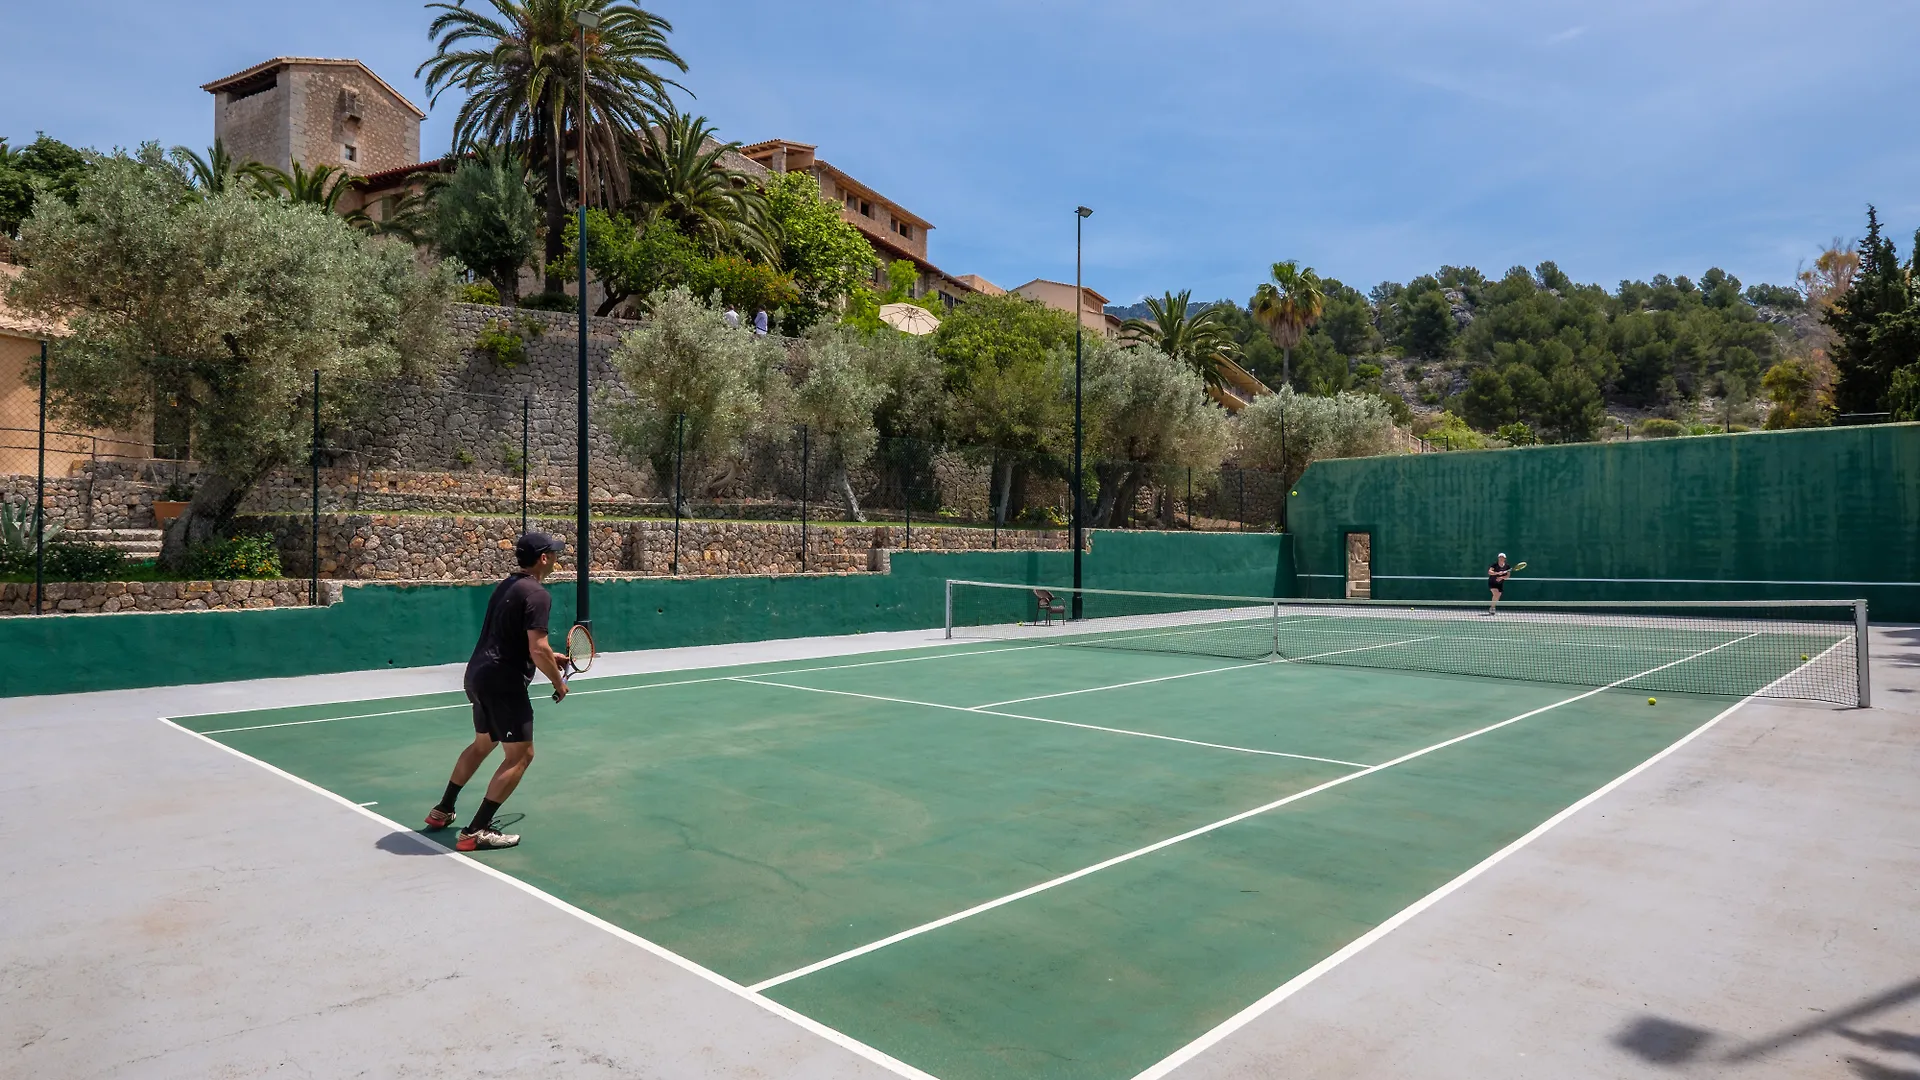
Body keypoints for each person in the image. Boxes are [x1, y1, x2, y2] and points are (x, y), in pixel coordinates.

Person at [425, 531, 570, 850]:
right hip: (503, 682)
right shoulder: (538, 594)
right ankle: (475, 830)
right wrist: (558, 682)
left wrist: (549, 656)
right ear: (543, 559)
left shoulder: (507, 586)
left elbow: (516, 639)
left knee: (482, 744)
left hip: (478, 675)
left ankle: (443, 810)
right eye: (554, 554)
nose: (558, 558)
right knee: (521, 755)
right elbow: (538, 646)